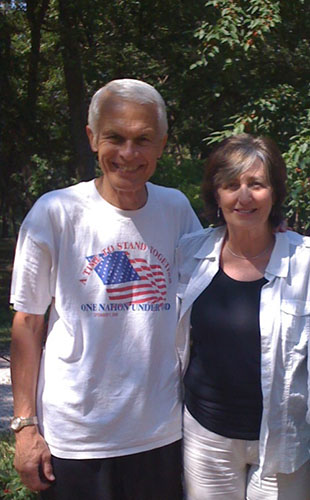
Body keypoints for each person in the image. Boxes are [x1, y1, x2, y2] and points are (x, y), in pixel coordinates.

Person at [9, 78, 201, 500]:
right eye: (115, 137)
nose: (129, 154)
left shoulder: (177, 210)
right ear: (93, 139)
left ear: (162, 144)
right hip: (76, 437)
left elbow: (214, 277)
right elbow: (27, 321)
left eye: (143, 139)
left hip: (159, 432)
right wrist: (25, 428)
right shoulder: (55, 213)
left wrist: (269, 231)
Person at [176, 134, 310, 499]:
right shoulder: (189, 254)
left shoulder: (304, 262)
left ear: (275, 192)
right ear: (216, 195)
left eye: (257, 184)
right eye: (231, 184)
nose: (244, 196)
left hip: (283, 440)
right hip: (206, 438)